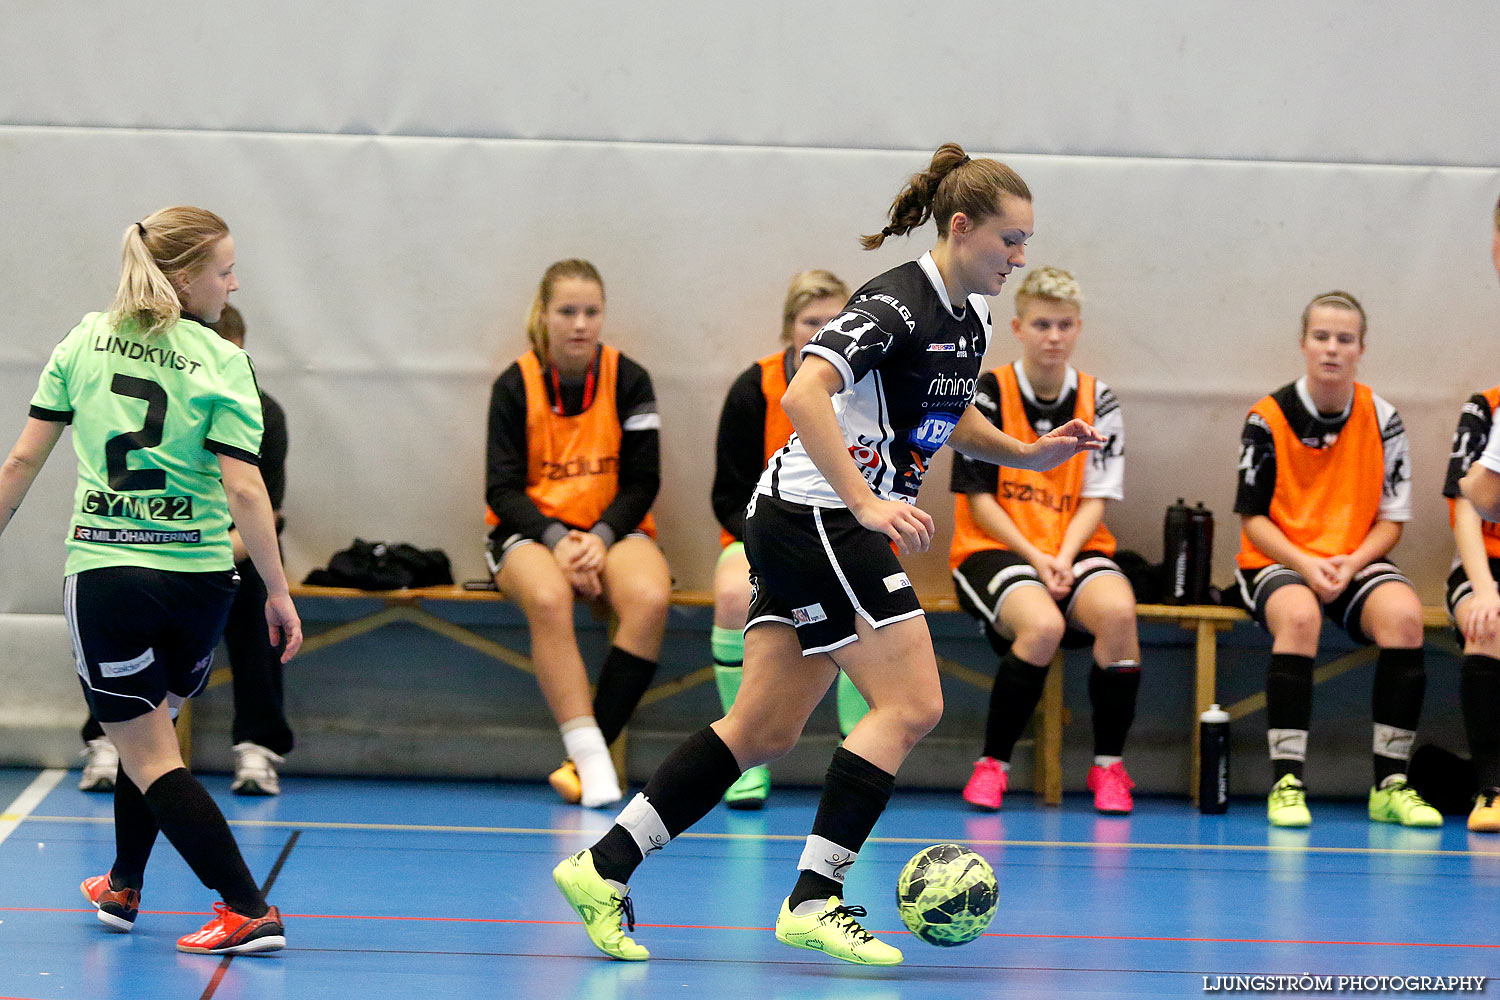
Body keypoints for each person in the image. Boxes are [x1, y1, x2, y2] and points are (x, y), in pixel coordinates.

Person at [553, 142, 1103, 966]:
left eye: (1027, 242)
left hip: (812, 520)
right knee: (913, 703)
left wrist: (1025, 454)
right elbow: (804, 391)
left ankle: (603, 868)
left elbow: (938, 412)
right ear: (961, 228)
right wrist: (868, 502)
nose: (1020, 259)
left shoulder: (974, 313)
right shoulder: (898, 302)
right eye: (1009, 241)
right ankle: (815, 899)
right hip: (816, 516)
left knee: (763, 727)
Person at [0, 206, 302, 954]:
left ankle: (247, 907)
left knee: (146, 753)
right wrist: (277, 589)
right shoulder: (224, 362)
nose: (234, 283)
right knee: (149, 729)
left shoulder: (83, 340)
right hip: (201, 584)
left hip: (110, 575)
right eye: (225, 269)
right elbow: (246, 493)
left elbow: (20, 463)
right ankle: (124, 885)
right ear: (184, 277)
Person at [1234, 290, 1439, 829]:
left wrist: (1349, 564)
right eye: (1321, 337)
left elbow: (1392, 520)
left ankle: (1391, 784)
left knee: (1405, 617)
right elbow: (1252, 518)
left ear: (1360, 348)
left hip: (1352, 557)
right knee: (1299, 617)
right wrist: (1304, 562)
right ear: (1303, 344)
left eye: (1344, 339)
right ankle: (1287, 781)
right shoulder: (1267, 416)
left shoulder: (1383, 417)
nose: (1331, 348)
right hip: (1276, 556)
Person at [77, 304, 294, 796]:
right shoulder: (136, 405)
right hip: (147, 552)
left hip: (219, 556)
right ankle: (108, 737)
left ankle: (258, 745)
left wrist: (205, 559)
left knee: (258, 595)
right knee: (115, 595)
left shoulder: (260, 410)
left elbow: (263, 511)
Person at [948, 265, 1137, 814]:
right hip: (993, 548)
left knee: (1120, 614)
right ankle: (992, 765)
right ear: (1018, 327)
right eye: (1041, 324)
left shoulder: (1100, 400)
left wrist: (1063, 556)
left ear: (1078, 328)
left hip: (1073, 548)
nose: (1053, 336)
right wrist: (1036, 557)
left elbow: (1096, 497)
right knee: (1044, 626)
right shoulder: (986, 391)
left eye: (1064, 325)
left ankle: (1109, 768)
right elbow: (978, 498)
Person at [485, 259, 669, 809]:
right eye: (567, 311)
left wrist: (603, 535)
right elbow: (501, 489)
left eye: (592, 312)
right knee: (547, 596)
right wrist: (558, 536)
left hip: (614, 529)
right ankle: (591, 757)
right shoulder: (514, 385)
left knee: (651, 597)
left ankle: (585, 756)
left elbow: (644, 480)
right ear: (544, 315)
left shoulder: (630, 378)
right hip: (532, 533)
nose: (580, 324)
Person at [709, 269, 872, 809]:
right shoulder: (754, 387)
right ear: (789, 328)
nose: (823, 331)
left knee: (867, 604)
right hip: (759, 538)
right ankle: (743, 757)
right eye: (811, 322)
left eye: (836, 322)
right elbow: (727, 495)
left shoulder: (868, 393)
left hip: (845, 537)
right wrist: (768, 544)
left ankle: (860, 751)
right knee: (733, 595)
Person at [1447, 189, 1500, 833]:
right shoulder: (1484, 405)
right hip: (1485, 565)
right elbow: (1473, 498)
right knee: (1487, 623)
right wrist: (1485, 586)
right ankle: (1490, 786)